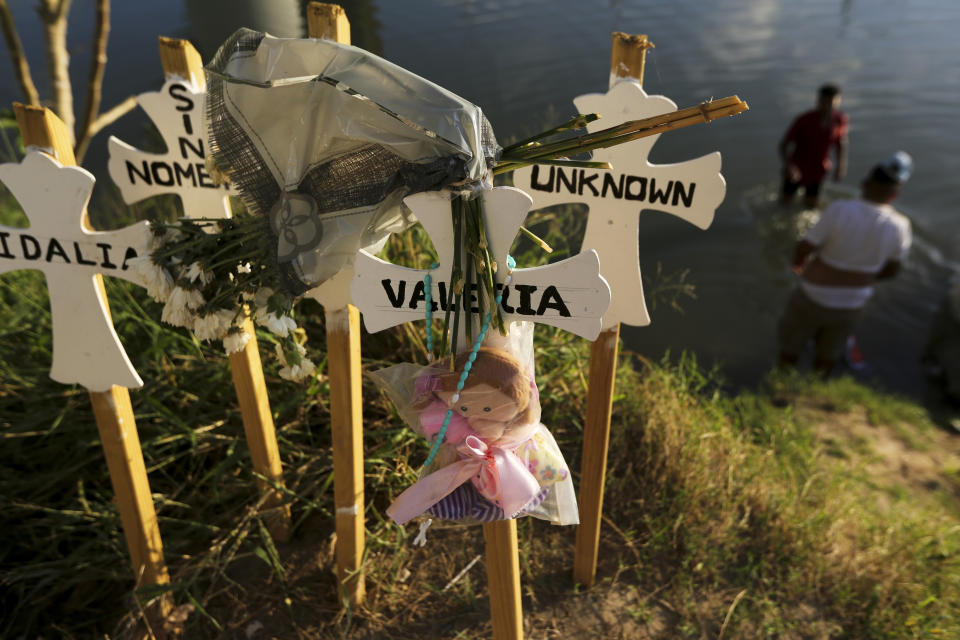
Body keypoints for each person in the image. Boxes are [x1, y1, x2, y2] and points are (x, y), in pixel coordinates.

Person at [778, 152, 913, 375]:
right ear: (894, 195)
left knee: (790, 346)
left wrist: (799, 265)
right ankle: (817, 388)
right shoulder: (900, 226)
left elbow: (804, 248)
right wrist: (863, 277)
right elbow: (892, 270)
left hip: (813, 294)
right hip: (852, 303)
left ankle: (780, 382)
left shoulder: (840, 209)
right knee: (828, 354)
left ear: (864, 184)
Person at [779, 84, 849, 208]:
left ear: (838, 101)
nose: (828, 105)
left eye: (832, 102)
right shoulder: (804, 120)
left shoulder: (840, 120)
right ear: (818, 100)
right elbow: (783, 145)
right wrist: (789, 166)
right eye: (824, 101)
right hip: (798, 167)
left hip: (819, 169)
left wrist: (840, 166)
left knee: (811, 205)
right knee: (785, 202)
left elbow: (841, 143)